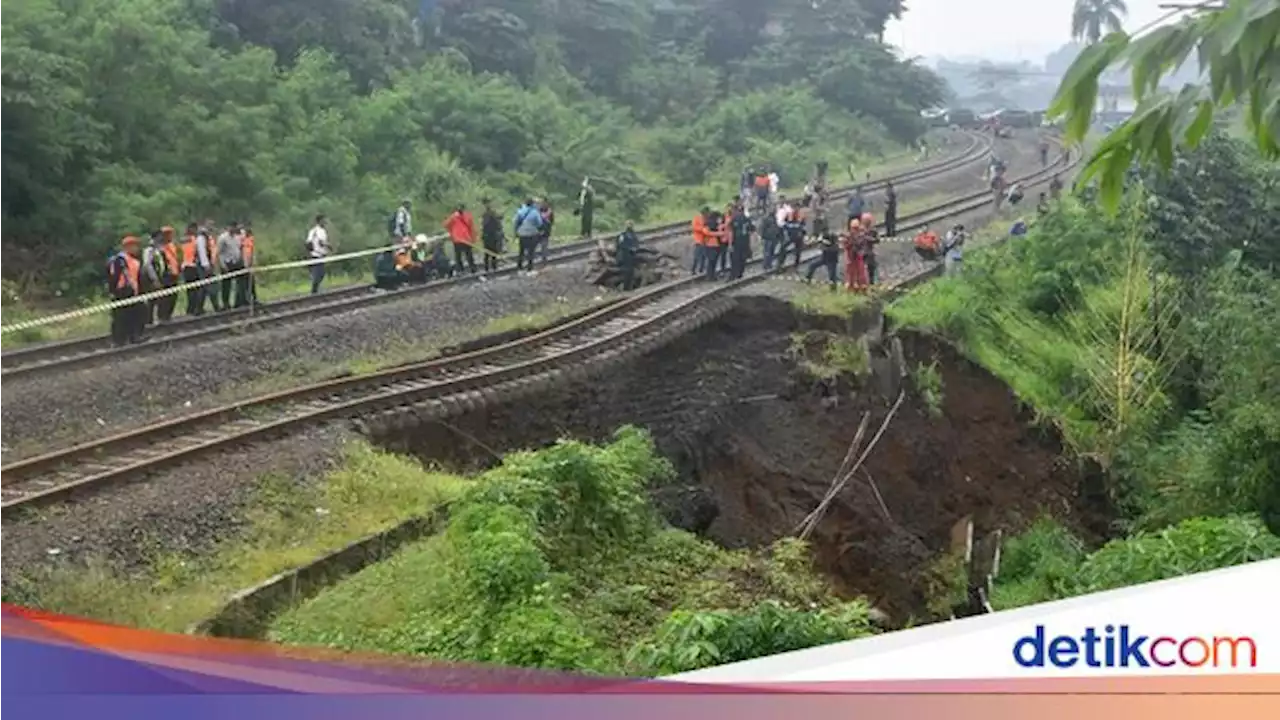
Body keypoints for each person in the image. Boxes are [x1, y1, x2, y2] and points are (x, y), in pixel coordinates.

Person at [106, 235, 145, 346]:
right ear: (127, 247)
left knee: (135, 315)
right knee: (120, 317)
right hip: (122, 292)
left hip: (133, 292)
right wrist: (112, 291)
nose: (137, 248)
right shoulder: (120, 260)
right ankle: (118, 340)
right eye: (134, 246)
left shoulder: (135, 260)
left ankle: (134, 336)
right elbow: (114, 277)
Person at [143, 227, 180, 324]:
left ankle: (163, 317)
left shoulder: (160, 249)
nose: (161, 238)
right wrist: (154, 278)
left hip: (163, 277)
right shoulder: (149, 250)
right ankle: (149, 320)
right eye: (160, 236)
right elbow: (148, 265)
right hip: (152, 279)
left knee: (164, 299)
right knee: (152, 299)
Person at [179, 223, 212, 316]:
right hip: (192, 266)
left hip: (186, 266)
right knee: (196, 290)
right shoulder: (195, 239)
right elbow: (200, 253)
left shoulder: (183, 240)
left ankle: (191, 309)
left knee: (191, 290)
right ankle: (195, 309)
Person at [216, 221, 248, 309]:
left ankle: (239, 301)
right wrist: (222, 265)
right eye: (232, 227)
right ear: (228, 227)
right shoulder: (222, 238)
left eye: (235, 227)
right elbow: (219, 253)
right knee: (226, 285)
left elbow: (239, 249)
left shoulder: (237, 237)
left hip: (236, 262)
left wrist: (242, 261)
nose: (233, 229)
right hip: (227, 263)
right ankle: (225, 303)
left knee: (241, 282)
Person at [443, 204, 477, 275]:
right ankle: (463, 269)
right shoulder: (454, 217)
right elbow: (445, 224)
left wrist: (473, 238)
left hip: (464, 239)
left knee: (468, 255)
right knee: (460, 256)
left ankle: (470, 268)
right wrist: (453, 217)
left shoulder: (466, 216)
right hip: (459, 239)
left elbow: (471, 227)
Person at [513, 199, 543, 273]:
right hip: (531, 234)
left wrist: (516, 231)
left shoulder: (520, 211)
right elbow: (539, 223)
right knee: (531, 252)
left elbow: (515, 221)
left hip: (522, 234)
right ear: (533, 204)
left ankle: (519, 268)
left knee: (521, 251)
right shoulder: (535, 212)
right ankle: (529, 269)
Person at [306, 214, 330, 294]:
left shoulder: (312, 231)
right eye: (323, 221)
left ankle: (315, 290)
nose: (325, 222)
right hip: (318, 255)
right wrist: (328, 246)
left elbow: (308, 242)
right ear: (320, 221)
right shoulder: (321, 231)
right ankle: (314, 291)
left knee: (319, 273)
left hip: (313, 255)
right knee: (319, 274)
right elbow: (321, 242)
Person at [843, 219, 869, 293]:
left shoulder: (861, 236)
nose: (855, 230)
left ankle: (862, 287)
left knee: (861, 272)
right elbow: (845, 246)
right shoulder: (848, 236)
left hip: (858, 257)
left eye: (856, 228)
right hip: (850, 257)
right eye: (854, 228)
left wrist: (860, 251)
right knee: (850, 273)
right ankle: (851, 287)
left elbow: (863, 246)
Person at [729, 203, 754, 280]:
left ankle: (734, 274)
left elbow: (731, 231)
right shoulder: (747, 219)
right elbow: (752, 230)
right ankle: (740, 273)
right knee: (743, 258)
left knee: (736, 259)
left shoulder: (734, 219)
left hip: (736, 242)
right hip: (745, 241)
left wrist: (730, 244)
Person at [615, 220, 640, 291]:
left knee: (631, 272)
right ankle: (625, 287)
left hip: (631, 256)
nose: (630, 226)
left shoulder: (633, 235)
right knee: (626, 272)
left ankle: (629, 287)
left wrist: (635, 249)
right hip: (624, 255)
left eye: (631, 225)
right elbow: (620, 245)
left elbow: (637, 244)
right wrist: (629, 248)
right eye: (628, 225)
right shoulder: (622, 235)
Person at [481, 199, 504, 274]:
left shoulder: (484, 216)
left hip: (486, 236)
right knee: (494, 252)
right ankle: (494, 266)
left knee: (487, 253)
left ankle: (486, 267)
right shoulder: (494, 216)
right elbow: (498, 226)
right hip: (493, 236)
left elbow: (483, 226)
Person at [691, 206, 713, 275]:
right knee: (697, 255)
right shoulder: (697, 218)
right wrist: (702, 229)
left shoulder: (708, 219)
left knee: (704, 255)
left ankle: (701, 269)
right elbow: (694, 227)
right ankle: (693, 269)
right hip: (698, 240)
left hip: (706, 240)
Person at [860, 212, 880, 285]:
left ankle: (871, 283)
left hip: (869, 252)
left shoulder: (873, 230)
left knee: (871, 268)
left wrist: (868, 239)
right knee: (863, 269)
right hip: (863, 252)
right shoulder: (861, 230)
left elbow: (877, 240)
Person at [538, 200, 555, 267]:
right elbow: (552, 221)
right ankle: (544, 260)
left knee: (535, 244)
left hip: (539, 230)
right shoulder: (550, 212)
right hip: (546, 230)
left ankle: (532, 258)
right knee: (544, 245)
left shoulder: (538, 212)